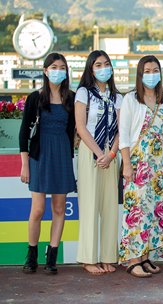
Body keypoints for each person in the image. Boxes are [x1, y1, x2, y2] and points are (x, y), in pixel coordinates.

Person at [19, 52, 76, 275]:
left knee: (59, 208)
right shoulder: (35, 98)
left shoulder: (71, 98)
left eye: (62, 67)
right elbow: (24, 133)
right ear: (45, 71)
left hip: (62, 154)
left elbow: (74, 129)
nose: (58, 71)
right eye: (54, 67)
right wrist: (25, 164)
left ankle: (51, 255)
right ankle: (31, 254)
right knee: (38, 209)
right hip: (39, 156)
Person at [118, 55, 163, 278]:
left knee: (154, 210)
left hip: (159, 164)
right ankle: (133, 260)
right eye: (147, 70)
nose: (152, 74)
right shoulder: (130, 99)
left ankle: (145, 256)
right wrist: (127, 165)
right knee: (137, 209)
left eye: (155, 70)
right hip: (138, 161)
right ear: (140, 75)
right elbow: (123, 135)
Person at [75, 50, 122, 275]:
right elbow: (81, 127)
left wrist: (111, 154)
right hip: (90, 151)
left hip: (111, 154)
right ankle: (88, 258)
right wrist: (98, 153)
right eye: (98, 65)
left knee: (110, 206)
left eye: (106, 64)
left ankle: (108, 256)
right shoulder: (84, 93)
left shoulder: (118, 96)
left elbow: (123, 130)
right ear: (91, 69)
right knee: (90, 204)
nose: (103, 68)